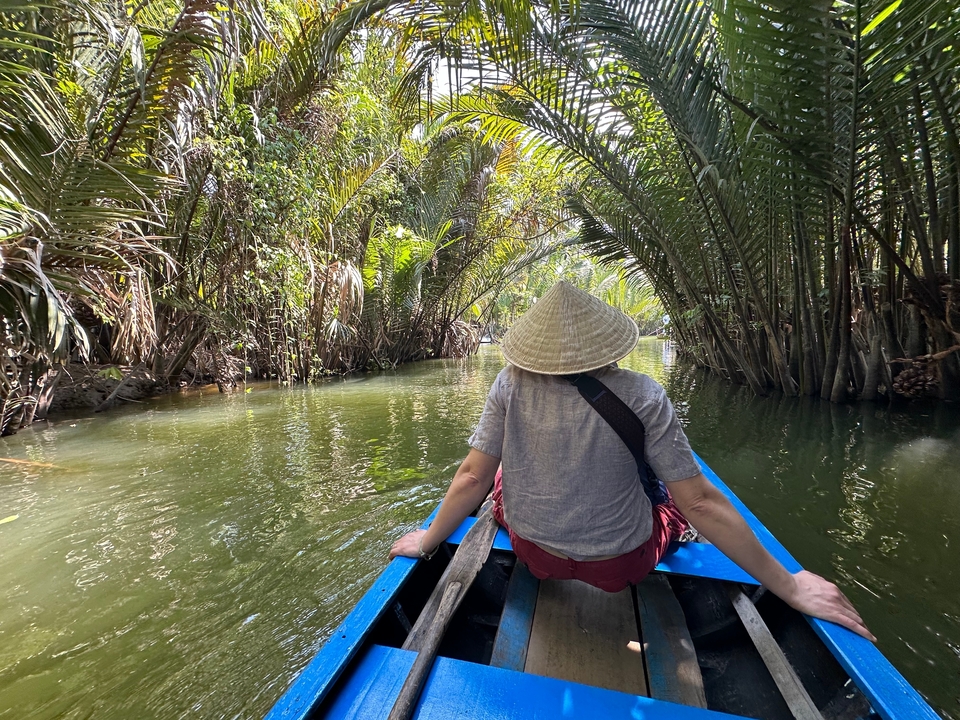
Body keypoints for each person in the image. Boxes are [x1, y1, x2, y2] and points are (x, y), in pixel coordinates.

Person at [390, 281, 875, 641]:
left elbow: (472, 476)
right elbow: (702, 504)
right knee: (677, 502)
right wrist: (789, 585)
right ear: (608, 342)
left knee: (496, 476)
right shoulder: (644, 394)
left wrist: (429, 541)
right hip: (622, 566)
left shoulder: (508, 385)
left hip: (534, 556)